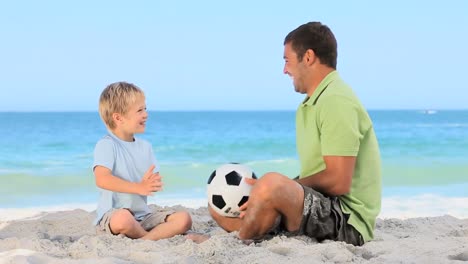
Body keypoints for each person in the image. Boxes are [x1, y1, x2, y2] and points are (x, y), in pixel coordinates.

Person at [209, 21, 381, 246]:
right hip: (323, 204)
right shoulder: (312, 103)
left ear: (308, 57)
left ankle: (241, 238)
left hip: (346, 222)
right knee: (218, 210)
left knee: (270, 183)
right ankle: (254, 225)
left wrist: (280, 187)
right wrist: (274, 193)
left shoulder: (336, 100)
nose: (284, 70)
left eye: (287, 61)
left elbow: (339, 182)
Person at [93, 81, 199, 241]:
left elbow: (150, 181)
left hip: (143, 216)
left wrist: (151, 182)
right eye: (139, 110)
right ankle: (154, 239)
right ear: (118, 118)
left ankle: (144, 239)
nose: (146, 114)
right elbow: (102, 179)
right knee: (123, 218)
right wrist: (138, 187)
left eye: (145, 109)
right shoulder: (107, 144)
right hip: (114, 215)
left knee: (184, 218)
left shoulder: (145, 147)